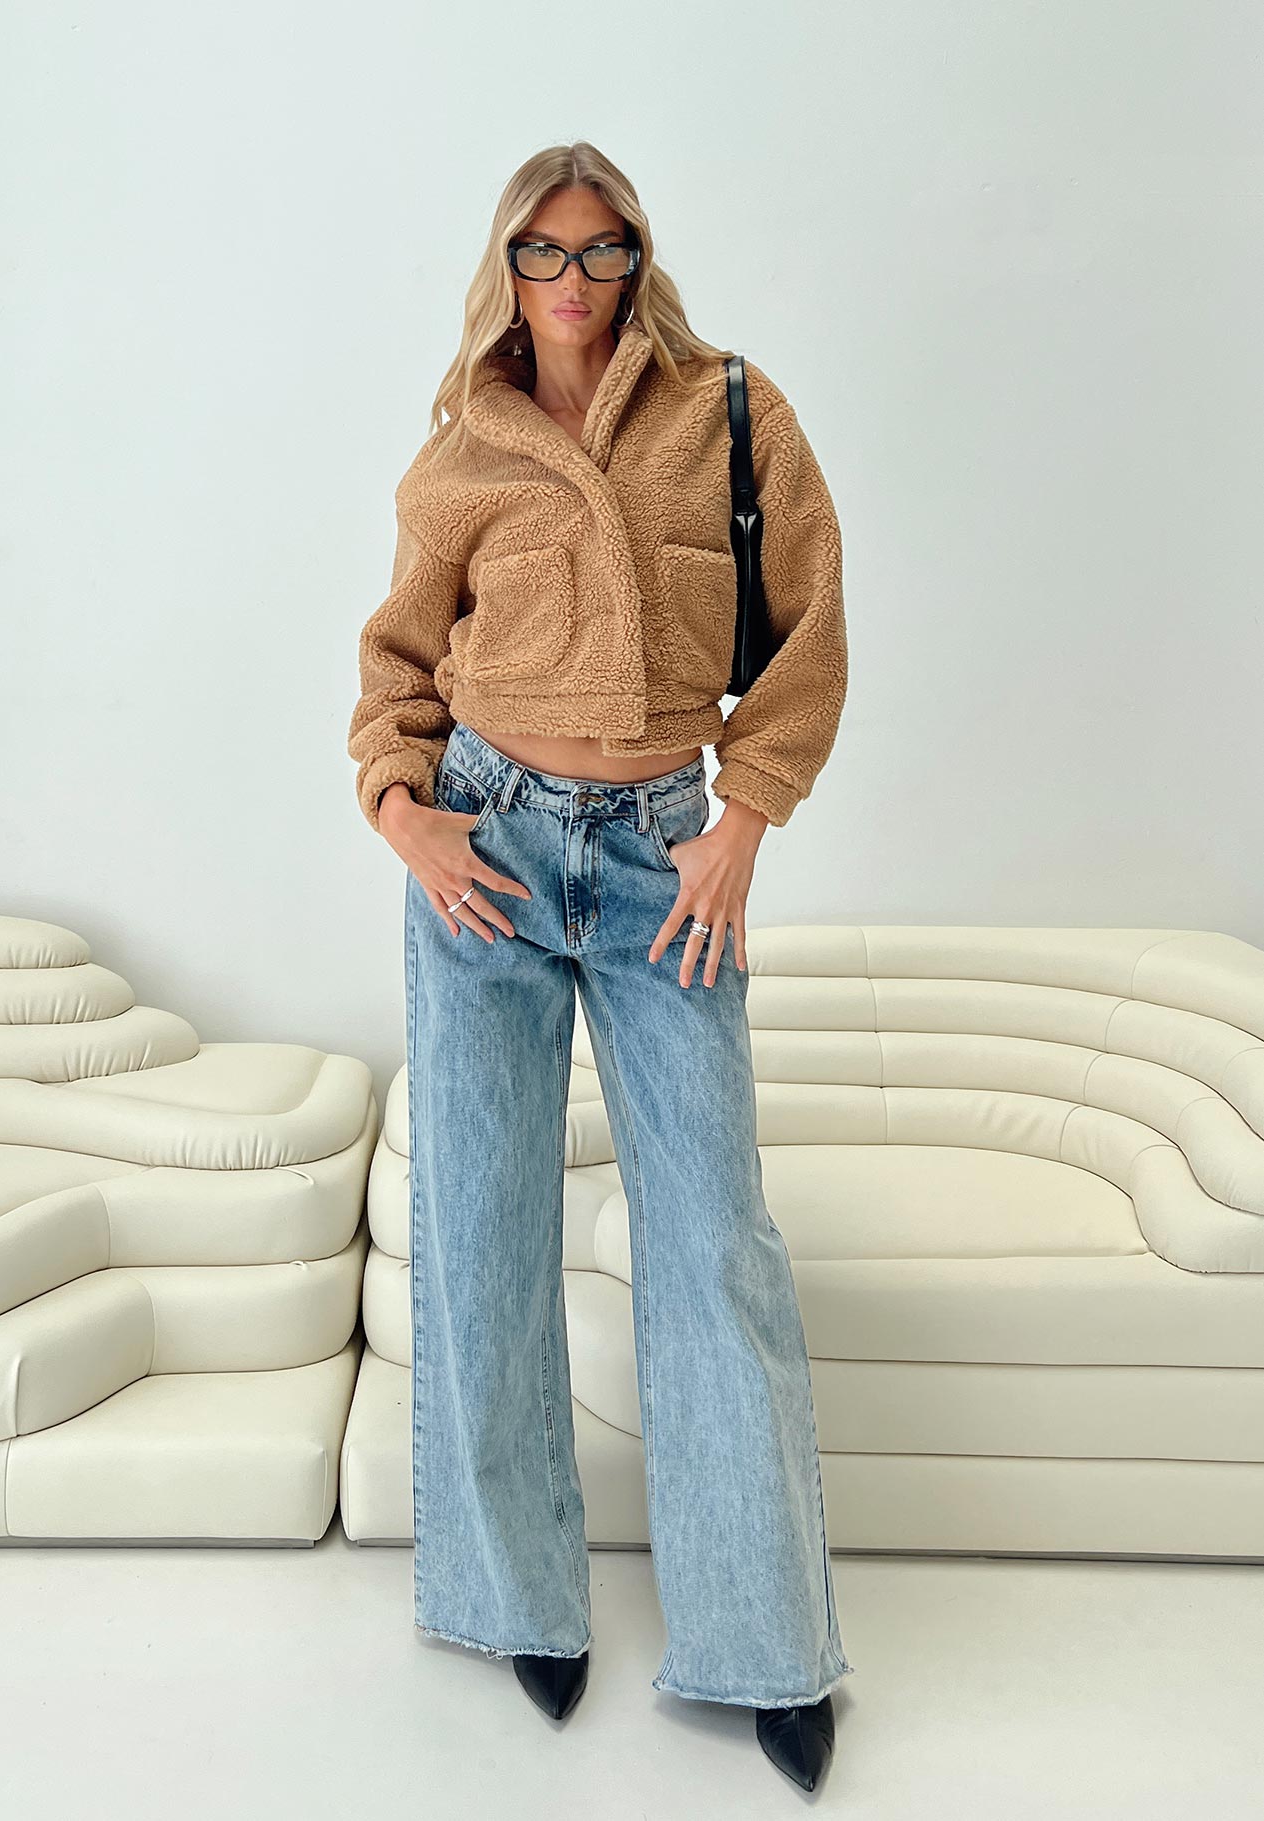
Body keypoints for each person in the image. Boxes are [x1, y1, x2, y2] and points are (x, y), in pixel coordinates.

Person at [347, 141, 852, 1794]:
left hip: (662, 864)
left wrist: (743, 820)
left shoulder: (730, 414)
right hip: (484, 855)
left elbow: (809, 637)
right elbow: (395, 672)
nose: (573, 283)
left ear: (639, 257)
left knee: (713, 1244)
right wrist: (406, 820)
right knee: (483, 1235)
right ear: (506, 267)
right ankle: (518, 1604)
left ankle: (766, 1643)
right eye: (544, 253)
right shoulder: (460, 451)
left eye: (602, 249)